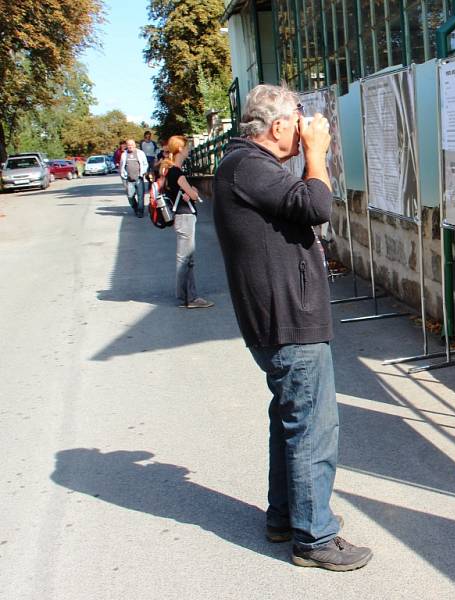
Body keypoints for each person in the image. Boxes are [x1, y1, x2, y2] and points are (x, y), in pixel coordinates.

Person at [213, 84, 372, 572]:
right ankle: (314, 536)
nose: (306, 123)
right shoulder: (248, 166)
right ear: (277, 125)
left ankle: (286, 516)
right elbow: (315, 205)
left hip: (279, 318)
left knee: (290, 422)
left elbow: (297, 206)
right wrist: (317, 153)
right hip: (287, 322)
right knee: (312, 428)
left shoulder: (242, 167)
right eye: (299, 115)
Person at [160, 135, 214, 309]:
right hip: (185, 218)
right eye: (187, 147)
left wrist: (189, 192)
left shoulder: (170, 171)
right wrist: (193, 192)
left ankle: (188, 296)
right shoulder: (177, 172)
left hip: (181, 217)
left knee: (186, 259)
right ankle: (188, 298)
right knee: (186, 259)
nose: (189, 150)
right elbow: (194, 195)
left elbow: (185, 193)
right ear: (180, 149)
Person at [120, 139, 149, 217]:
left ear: (135, 145)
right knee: (130, 196)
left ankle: (140, 211)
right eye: (129, 145)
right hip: (129, 180)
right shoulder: (124, 154)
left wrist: (142, 173)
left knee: (141, 196)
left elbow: (145, 164)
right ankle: (135, 208)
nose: (130, 146)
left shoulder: (140, 153)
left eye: (132, 145)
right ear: (127, 146)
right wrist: (123, 174)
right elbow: (122, 166)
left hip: (139, 178)